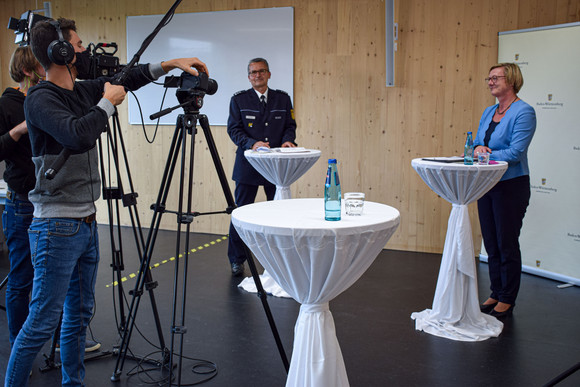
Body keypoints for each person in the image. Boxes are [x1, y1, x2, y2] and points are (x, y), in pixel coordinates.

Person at [4, 18, 208, 386]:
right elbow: (76, 135)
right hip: (56, 226)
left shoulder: (82, 91)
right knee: (40, 322)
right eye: (78, 45)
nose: (84, 51)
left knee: (77, 317)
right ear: (60, 52)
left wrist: (171, 63)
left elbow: (127, 79)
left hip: (85, 220)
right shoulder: (40, 99)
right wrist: (107, 105)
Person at [475, 63, 536, 319]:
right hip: (486, 184)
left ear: (511, 80)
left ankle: (508, 298)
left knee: (506, 242)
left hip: (511, 186)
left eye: (495, 78)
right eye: (488, 78)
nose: (490, 82)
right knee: (491, 242)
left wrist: (486, 154)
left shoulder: (524, 112)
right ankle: (496, 291)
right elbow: (478, 142)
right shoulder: (489, 111)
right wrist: (479, 149)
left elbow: (515, 152)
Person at [226, 58, 297, 276]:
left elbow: (290, 125)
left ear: (269, 74)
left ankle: (277, 260)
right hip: (248, 166)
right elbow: (234, 129)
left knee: (276, 214)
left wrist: (288, 140)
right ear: (249, 77)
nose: (257, 75)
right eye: (253, 72)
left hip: (275, 167)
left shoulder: (282, 99)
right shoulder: (239, 100)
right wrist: (252, 143)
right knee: (241, 213)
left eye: (262, 71)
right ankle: (237, 260)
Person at [0, 46, 44, 348]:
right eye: (41, 67)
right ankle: (19, 347)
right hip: (22, 204)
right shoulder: (6, 105)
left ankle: (54, 341)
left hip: (52, 200)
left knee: (53, 280)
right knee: (21, 279)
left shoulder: (47, 99)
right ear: (28, 71)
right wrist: (18, 130)